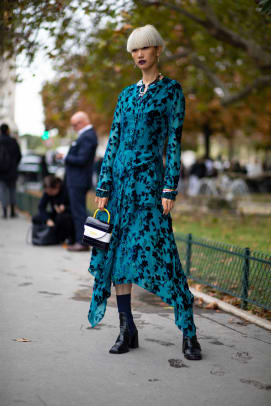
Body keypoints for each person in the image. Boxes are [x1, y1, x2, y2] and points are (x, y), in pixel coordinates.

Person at [88, 25, 202, 360]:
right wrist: (104, 185)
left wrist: (170, 186)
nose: (140, 55)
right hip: (120, 189)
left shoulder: (171, 91)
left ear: (157, 50)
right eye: (134, 50)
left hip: (150, 189)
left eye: (146, 48)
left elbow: (173, 143)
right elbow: (113, 143)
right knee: (117, 259)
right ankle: (127, 328)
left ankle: (189, 331)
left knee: (164, 256)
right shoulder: (124, 96)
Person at [60, 111, 97, 252]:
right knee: (78, 211)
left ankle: (82, 242)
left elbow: (81, 159)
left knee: (79, 213)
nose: (74, 128)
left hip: (78, 180)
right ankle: (80, 239)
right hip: (77, 180)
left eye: (75, 125)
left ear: (82, 122)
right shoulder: (86, 135)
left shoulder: (88, 136)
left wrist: (65, 157)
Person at [32, 175, 75, 244]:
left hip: (66, 216)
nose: (49, 194)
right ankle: (40, 236)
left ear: (57, 186)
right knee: (36, 217)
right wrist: (47, 220)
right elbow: (41, 207)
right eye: (48, 192)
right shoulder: (48, 192)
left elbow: (74, 206)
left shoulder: (66, 190)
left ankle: (64, 237)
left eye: (51, 191)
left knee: (61, 218)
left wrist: (65, 208)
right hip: (55, 216)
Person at [0, 123, 21, 218]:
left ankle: (4, 212)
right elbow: (19, 156)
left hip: (1, 172)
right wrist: (14, 164)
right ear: (8, 130)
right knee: (12, 191)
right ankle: (12, 211)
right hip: (12, 171)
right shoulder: (13, 141)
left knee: (3, 191)